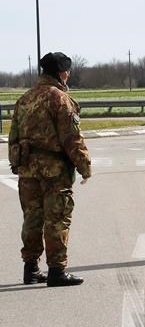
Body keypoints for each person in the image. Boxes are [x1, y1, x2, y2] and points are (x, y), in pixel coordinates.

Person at [8, 52, 91, 287]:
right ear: (61, 73)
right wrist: (85, 166)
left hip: (27, 171)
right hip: (54, 171)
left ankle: (31, 269)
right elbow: (71, 138)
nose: (68, 75)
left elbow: (12, 137)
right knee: (57, 219)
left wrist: (17, 164)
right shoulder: (60, 99)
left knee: (32, 218)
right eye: (67, 71)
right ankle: (56, 271)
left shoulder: (24, 99)